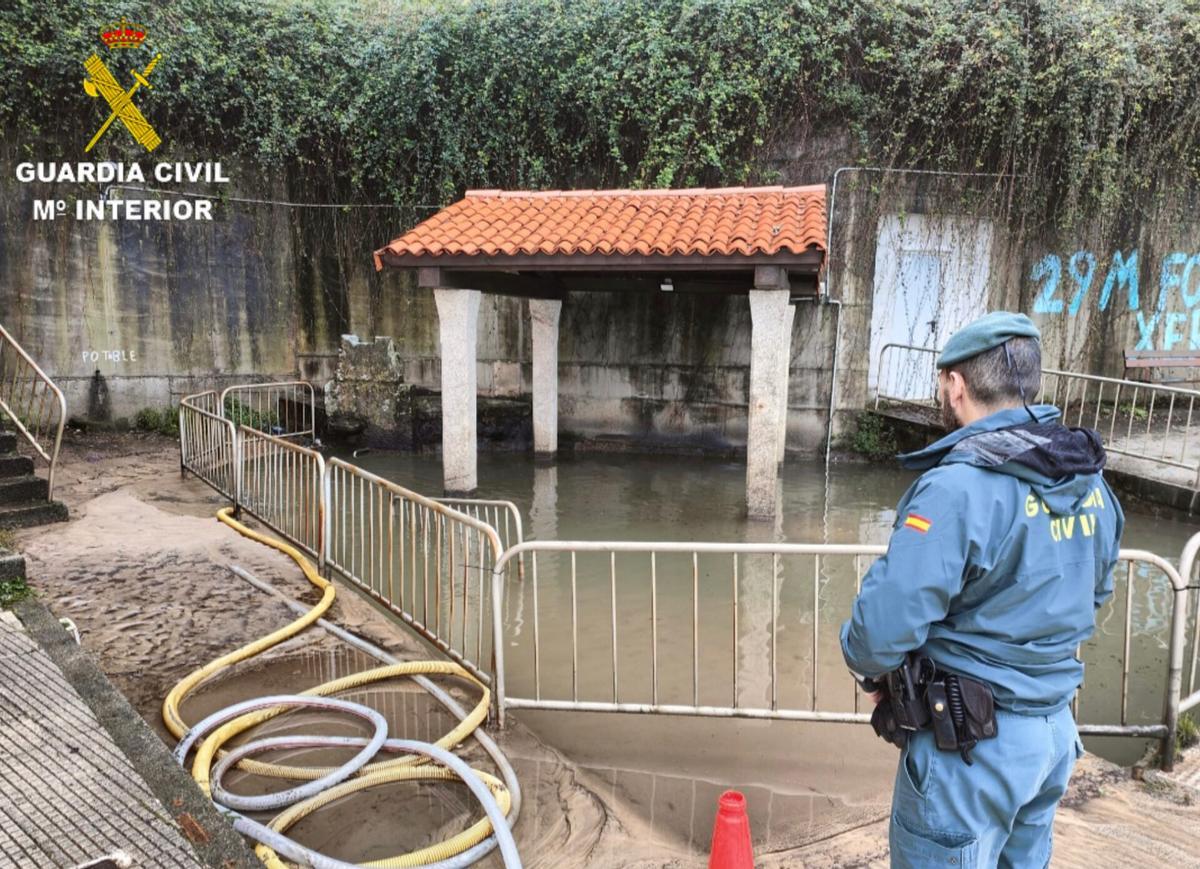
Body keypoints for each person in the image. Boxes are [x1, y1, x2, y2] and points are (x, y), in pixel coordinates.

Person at [840, 311, 1123, 868]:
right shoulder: (1090, 482)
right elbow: (1095, 594)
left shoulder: (959, 488)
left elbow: (881, 626)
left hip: (970, 752)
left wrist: (870, 671)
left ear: (956, 385)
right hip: (1050, 736)